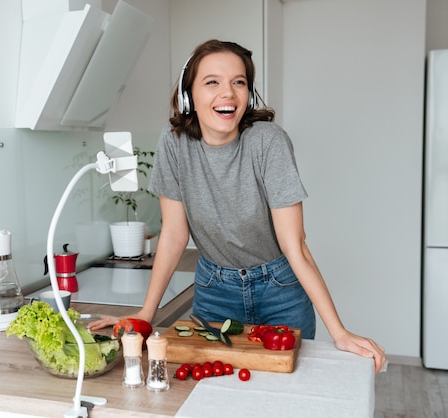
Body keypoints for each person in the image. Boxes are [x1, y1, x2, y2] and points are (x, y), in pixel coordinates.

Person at [90, 39, 386, 373]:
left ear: (249, 93)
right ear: (189, 95)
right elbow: (174, 235)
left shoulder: (268, 142)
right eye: (212, 82)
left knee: (286, 391)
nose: (228, 93)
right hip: (215, 290)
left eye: (239, 82)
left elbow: (295, 245)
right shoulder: (174, 144)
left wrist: (340, 333)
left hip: (280, 289)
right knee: (216, 391)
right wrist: (146, 314)